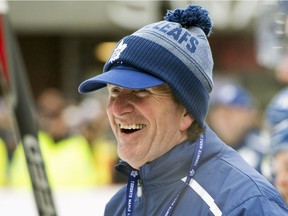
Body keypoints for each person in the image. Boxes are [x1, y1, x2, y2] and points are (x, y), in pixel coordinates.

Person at [78, 5, 288, 215]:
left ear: (186, 110)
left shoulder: (245, 204)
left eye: (140, 92)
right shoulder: (121, 206)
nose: (117, 108)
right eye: (114, 91)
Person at [207, 80, 267, 173]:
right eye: (218, 111)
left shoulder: (265, 149)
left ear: (249, 115)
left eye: (232, 111)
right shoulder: (202, 148)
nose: (224, 118)